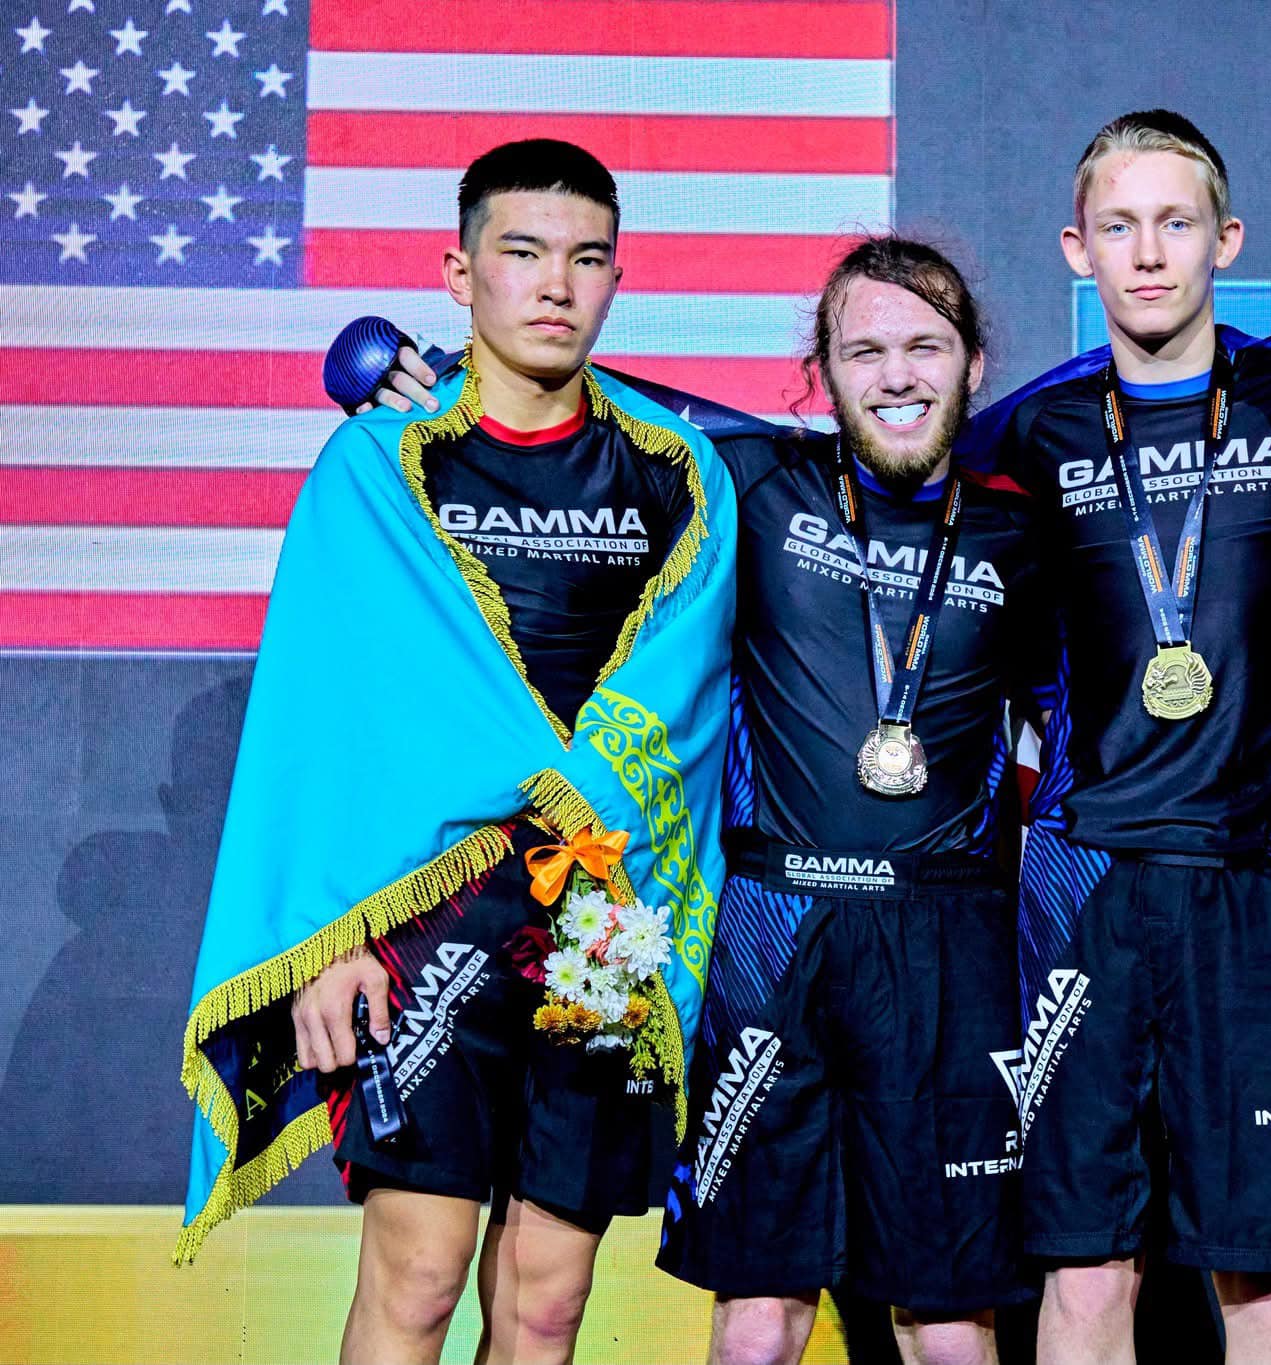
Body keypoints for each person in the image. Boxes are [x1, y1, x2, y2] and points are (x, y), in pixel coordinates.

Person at [347, 236, 1046, 1365]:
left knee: (954, 1328)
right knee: (757, 1321)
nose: (897, 376)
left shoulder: (1026, 530)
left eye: (926, 346)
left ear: (974, 363)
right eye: (863, 351)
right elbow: (593, 399)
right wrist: (427, 369)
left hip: (948, 947)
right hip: (773, 940)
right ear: (819, 370)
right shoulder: (752, 478)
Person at [176, 138, 737, 1365]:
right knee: (418, 1283)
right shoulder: (379, 466)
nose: (555, 286)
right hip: (423, 923)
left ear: (617, 277)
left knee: (546, 1305)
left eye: (586, 259)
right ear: (457, 272)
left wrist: (580, 811)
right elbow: (328, 727)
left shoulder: (680, 471)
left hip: (605, 916)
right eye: (522, 253)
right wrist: (331, 940)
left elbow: (687, 699)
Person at [969, 111, 1271, 1365]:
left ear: (1227, 239)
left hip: (1258, 880)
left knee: (1260, 1275)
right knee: (1083, 1266)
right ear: (1075, 249)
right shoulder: (1027, 433)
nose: (1147, 254)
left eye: (1174, 223)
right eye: (1117, 227)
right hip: (1083, 883)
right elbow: (851, 474)